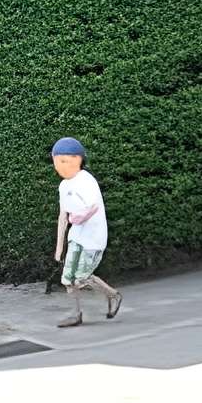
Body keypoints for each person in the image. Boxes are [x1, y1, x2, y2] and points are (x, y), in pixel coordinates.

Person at [49, 136, 120, 327]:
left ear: (78, 160)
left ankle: (113, 295)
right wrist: (58, 248)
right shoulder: (64, 186)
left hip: (93, 239)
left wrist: (78, 217)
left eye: (65, 160)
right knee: (68, 279)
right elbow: (63, 216)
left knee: (81, 277)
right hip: (76, 237)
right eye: (57, 161)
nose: (60, 165)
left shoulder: (87, 180)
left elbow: (92, 207)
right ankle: (77, 314)